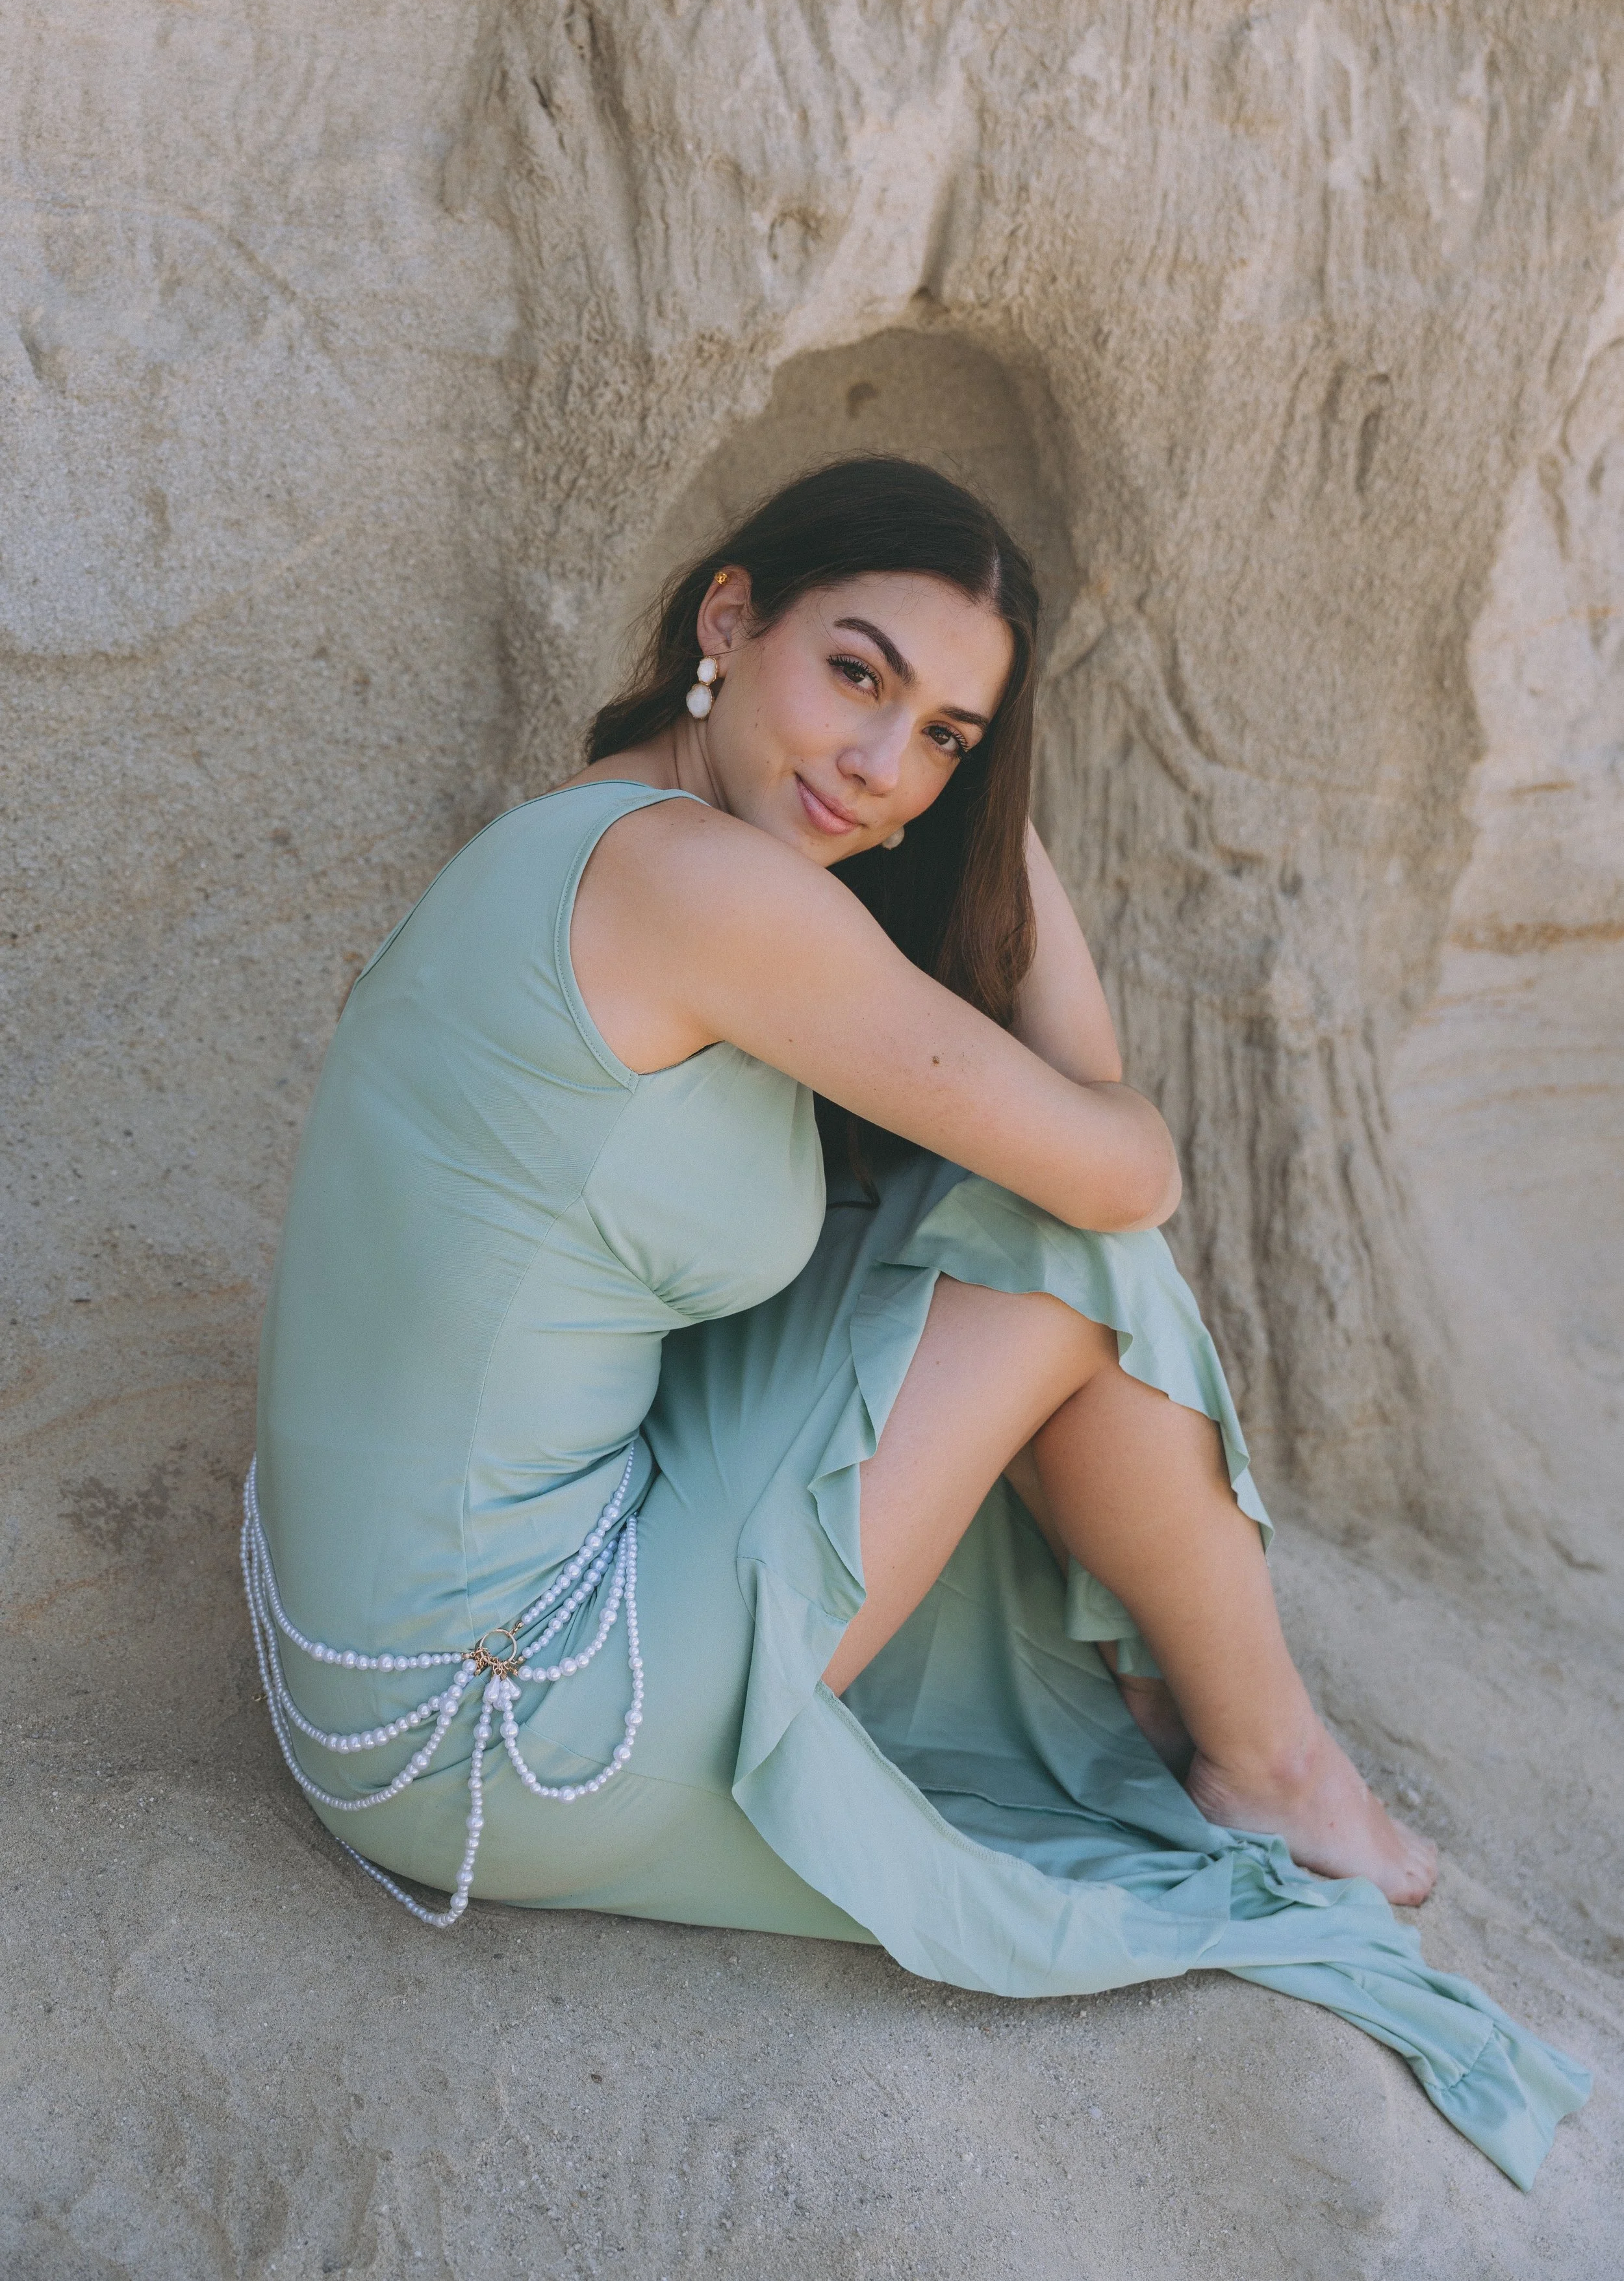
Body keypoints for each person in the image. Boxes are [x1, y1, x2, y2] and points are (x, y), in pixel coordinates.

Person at [247, 457, 1586, 2186]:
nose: (883, 763)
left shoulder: (579, 831)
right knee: (1064, 1248)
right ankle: (1269, 1759)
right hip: (512, 1727)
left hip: (352, 1670)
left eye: (950, 736)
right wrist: (996, 836)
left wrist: (932, 794)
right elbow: (1113, 1162)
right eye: (858, 674)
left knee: (937, 1228)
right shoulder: (710, 897)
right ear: (728, 620)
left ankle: (1238, 1730)